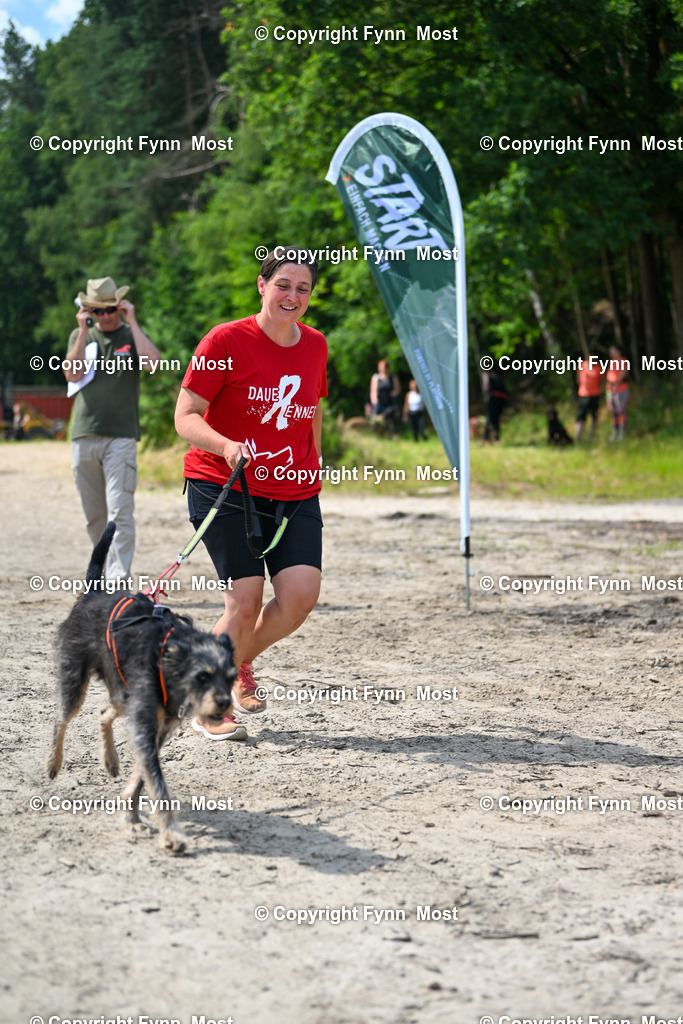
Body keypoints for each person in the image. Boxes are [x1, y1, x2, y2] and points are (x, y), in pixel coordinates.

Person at [174, 248, 328, 741]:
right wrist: (225, 445)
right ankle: (210, 704)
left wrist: (315, 457)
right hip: (225, 483)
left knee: (301, 596)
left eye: (302, 288)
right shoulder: (225, 340)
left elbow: (312, 407)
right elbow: (185, 416)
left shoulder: (316, 345)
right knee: (244, 602)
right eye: (283, 284)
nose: (292, 295)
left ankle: (236, 661)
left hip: (295, 488)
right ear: (262, 285)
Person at [63, 277, 161, 581]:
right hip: (84, 435)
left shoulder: (130, 335)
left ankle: (119, 580)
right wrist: (82, 330)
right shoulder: (81, 336)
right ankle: (100, 574)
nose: (105, 316)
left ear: (119, 307)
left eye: (110, 310)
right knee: (95, 516)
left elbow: (154, 364)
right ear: (88, 309)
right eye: (98, 310)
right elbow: (71, 373)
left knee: (120, 511)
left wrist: (132, 322)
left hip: (121, 437)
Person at [575, 353, 605, 441]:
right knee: (581, 416)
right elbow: (578, 379)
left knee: (594, 416)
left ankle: (591, 436)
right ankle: (577, 437)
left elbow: (602, 380)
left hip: (595, 395)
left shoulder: (599, 368)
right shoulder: (583, 365)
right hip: (583, 395)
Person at [369, 359, 400, 437]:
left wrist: (394, 393)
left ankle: (395, 435)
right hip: (380, 402)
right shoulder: (376, 378)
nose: (383, 369)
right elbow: (373, 391)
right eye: (381, 367)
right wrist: (374, 401)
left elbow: (397, 388)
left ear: (387, 368)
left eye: (384, 367)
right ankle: (377, 435)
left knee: (393, 418)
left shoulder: (393, 377)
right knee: (376, 419)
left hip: (390, 401)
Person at [606, 344, 629, 440]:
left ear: (618, 352)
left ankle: (622, 431)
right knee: (613, 411)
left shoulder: (623, 361)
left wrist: (616, 382)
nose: (611, 353)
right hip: (610, 390)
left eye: (613, 350)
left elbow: (623, 373)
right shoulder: (611, 362)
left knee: (620, 411)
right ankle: (615, 431)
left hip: (620, 390)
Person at [481, 368, 509, 442]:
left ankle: (486, 439)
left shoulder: (488, 377)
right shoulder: (498, 378)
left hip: (493, 400)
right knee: (496, 420)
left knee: (490, 419)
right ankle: (496, 439)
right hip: (501, 401)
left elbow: (486, 386)